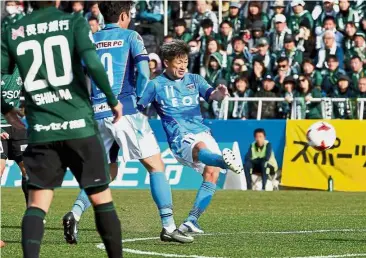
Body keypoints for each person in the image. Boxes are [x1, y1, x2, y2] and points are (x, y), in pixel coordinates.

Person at [62, 1, 192, 244]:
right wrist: (142, 102)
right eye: (130, 14)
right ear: (124, 15)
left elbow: (80, 77)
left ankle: (75, 213)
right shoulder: (131, 36)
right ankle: (169, 226)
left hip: (98, 113)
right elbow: (143, 73)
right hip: (126, 110)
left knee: (107, 171)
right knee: (156, 166)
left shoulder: (91, 39)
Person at [1, 1, 124, 257]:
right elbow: (92, 62)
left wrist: (5, 108)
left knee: (37, 204)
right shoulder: (74, 21)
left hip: (43, 129)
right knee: (101, 199)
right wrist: (113, 100)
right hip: (79, 125)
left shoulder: (12, 29)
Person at [137, 40, 244, 234]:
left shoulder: (194, 79)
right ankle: (223, 161)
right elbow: (139, 108)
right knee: (201, 147)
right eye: (178, 62)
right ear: (167, 62)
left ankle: (191, 220)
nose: (183, 66)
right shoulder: (155, 85)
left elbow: (213, 96)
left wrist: (221, 94)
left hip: (201, 129)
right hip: (179, 136)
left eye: (185, 61)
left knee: (213, 173)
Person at [0, 67, 28, 207]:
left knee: (27, 169)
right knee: (0, 167)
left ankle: (32, 211)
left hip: (16, 126)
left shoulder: (22, 68)